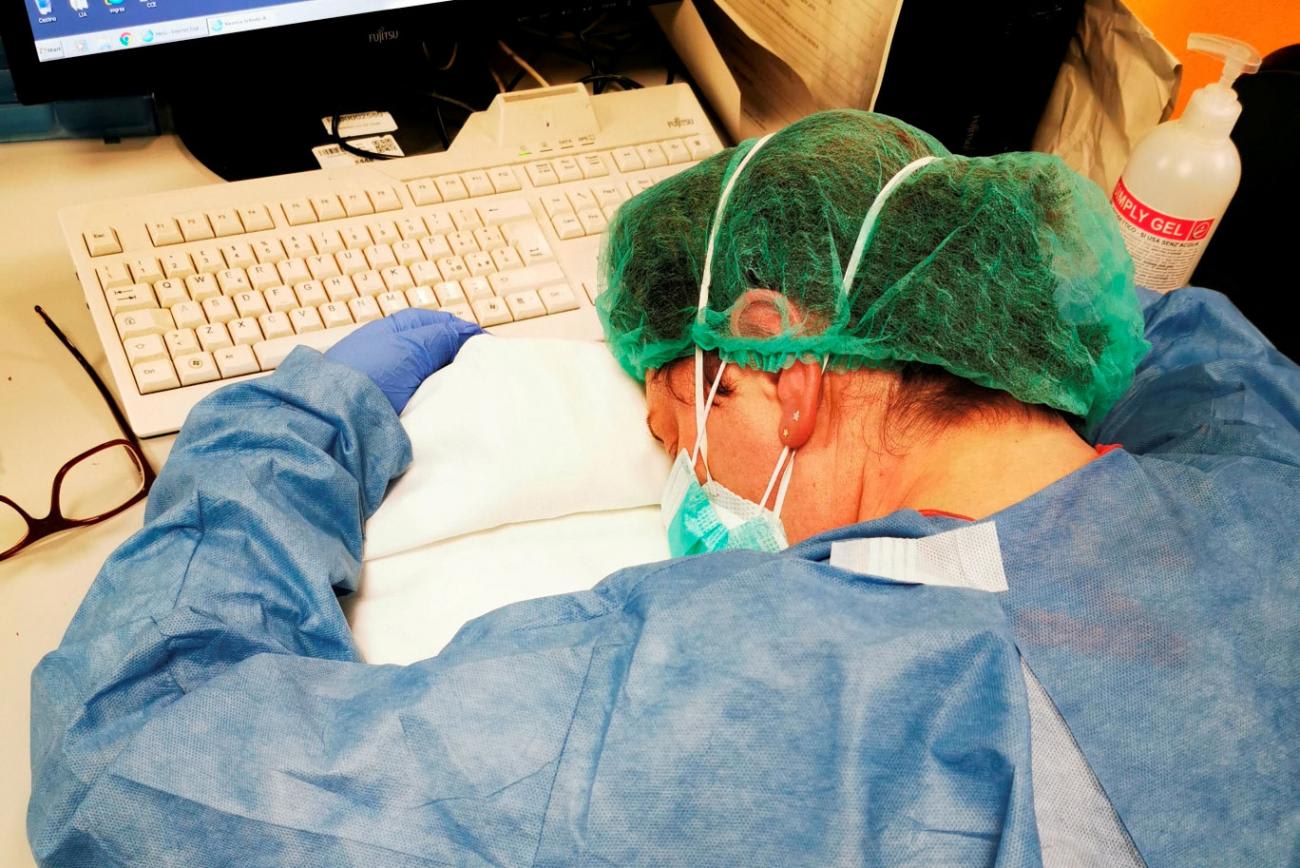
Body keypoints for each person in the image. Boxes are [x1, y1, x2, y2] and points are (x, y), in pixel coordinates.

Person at [29, 111, 1297, 867]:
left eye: (678, 425)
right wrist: (956, 273)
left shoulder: (707, 704)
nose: (689, 480)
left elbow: (130, 766)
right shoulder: (1258, 466)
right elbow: (1183, 334)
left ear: (786, 378)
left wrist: (283, 426)